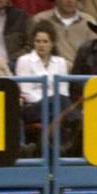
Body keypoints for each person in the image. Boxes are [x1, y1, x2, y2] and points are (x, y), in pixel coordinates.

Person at [15, 21, 80, 152]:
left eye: (45, 41)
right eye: (38, 41)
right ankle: (77, 122)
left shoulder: (60, 62)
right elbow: (26, 92)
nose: (41, 45)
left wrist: (52, 100)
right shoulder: (24, 61)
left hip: (56, 108)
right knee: (59, 100)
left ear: (52, 43)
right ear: (33, 42)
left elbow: (64, 90)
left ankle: (61, 152)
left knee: (59, 103)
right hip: (32, 108)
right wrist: (49, 99)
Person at [32, 0, 97, 65]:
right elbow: (33, 49)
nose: (69, 1)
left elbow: (95, 51)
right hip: (49, 71)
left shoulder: (89, 21)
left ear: (78, 0)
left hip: (81, 73)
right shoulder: (40, 19)